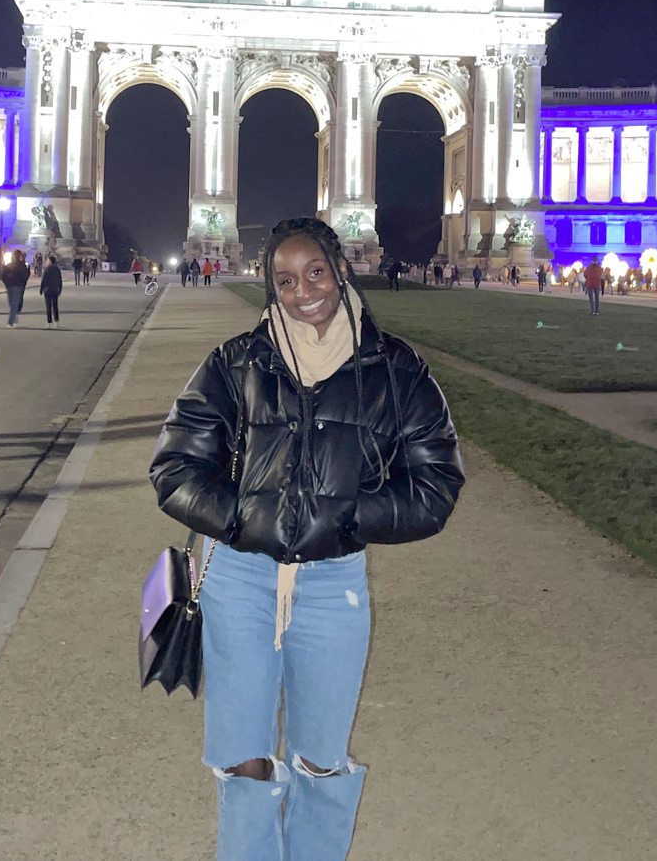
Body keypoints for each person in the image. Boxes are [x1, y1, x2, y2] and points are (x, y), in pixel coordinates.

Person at [150, 217, 464, 861]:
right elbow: (173, 467)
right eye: (285, 280)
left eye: (315, 272)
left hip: (332, 583)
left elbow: (436, 486)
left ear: (340, 269)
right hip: (238, 577)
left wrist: (350, 518)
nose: (303, 292)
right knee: (244, 760)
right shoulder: (234, 363)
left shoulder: (397, 370)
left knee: (323, 761)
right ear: (271, 288)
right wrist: (243, 520)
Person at [1, 250, 30, 327]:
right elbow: (26, 274)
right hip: (18, 285)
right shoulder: (22, 265)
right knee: (13, 304)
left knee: (12, 304)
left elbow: (3, 275)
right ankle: (14, 320)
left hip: (11, 285)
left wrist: (6, 283)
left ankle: (10, 322)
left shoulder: (9, 265)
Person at [40, 255, 64, 326]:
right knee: (55, 305)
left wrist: (41, 289)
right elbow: (60, 280)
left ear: (50, 261)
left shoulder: (47, 269)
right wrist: (60, 288)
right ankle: (57, 321)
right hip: (55, 289)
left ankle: (49, 322)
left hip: (47, 289)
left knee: (48, 306)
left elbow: (43, 279)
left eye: (47, 260)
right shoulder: (57, 269)